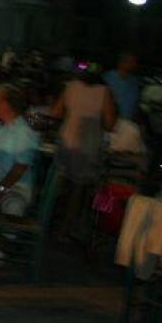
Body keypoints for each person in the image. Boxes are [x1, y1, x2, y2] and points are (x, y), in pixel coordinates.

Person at [51, 70, 116, 241]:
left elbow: (56, 113)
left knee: (58, 183)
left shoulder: (70, 87)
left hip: (67, 140)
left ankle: (48, 219)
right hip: (88, 145)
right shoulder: (104, 92)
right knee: (77, 190)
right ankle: (65, 230)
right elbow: (109, 123)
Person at [0, 84, 41, 215]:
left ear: (8, 105)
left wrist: (0, 189)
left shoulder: (23, 132)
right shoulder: (0, 128)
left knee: (12, 206)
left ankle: (9, 235)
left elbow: (19, 169)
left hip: (15, 188)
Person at [103, 53, 140, 121]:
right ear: (121, 63)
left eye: (135, 62)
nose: (134, 65)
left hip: (127, 122)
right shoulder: (107, 78)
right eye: (131, 62)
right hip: (110, 121)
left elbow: (135, 105)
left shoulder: (134, 81)